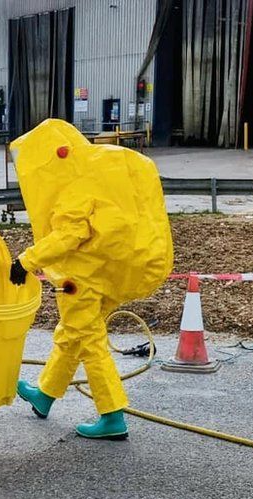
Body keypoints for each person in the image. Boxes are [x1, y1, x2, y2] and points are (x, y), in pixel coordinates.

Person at [10, 119, 173, 439]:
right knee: (72, 335)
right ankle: (44, 395)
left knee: (90, 342)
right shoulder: (96, 175)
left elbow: (69, 236)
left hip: (81, 278)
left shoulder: (72, 188)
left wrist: (25, 262)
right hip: (105, 272)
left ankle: (112, 415)